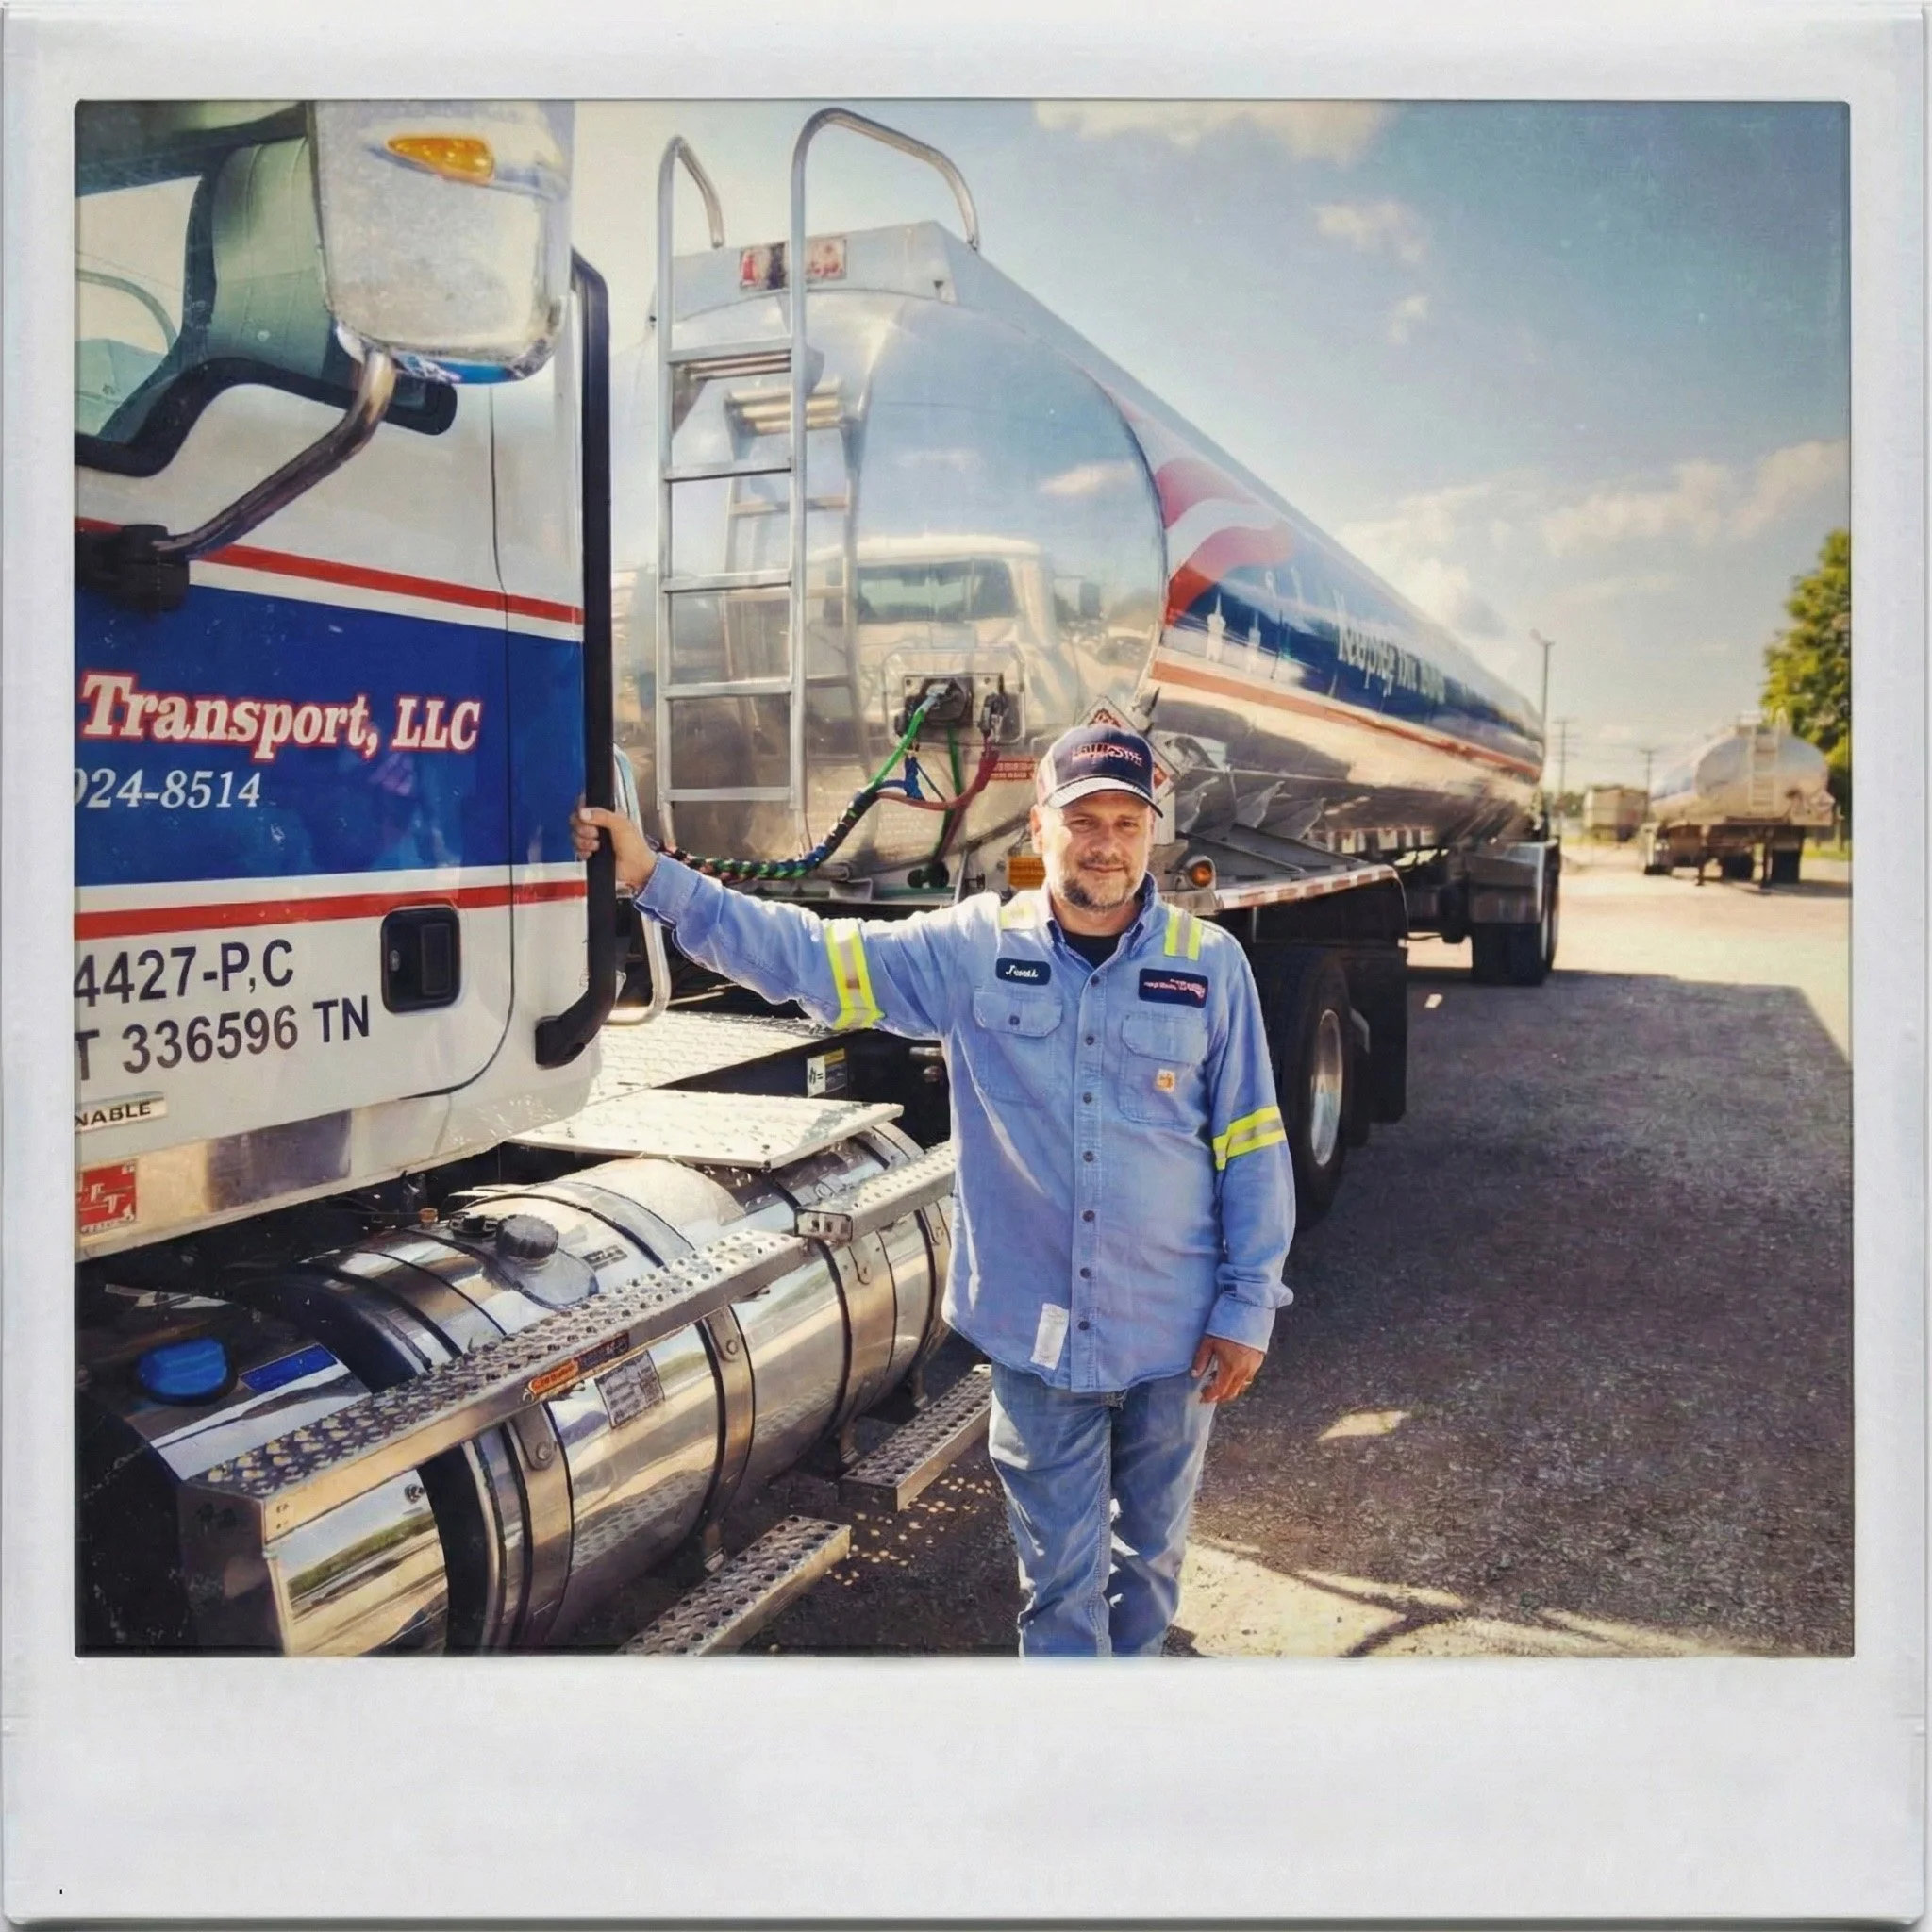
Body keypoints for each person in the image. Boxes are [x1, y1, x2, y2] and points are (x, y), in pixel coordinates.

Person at [572, 724, 1294, 1656]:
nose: (1105, 842)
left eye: (1125, 820)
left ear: (1150, 832)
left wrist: (1248, 1304)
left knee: (1148, 1561)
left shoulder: (1208, 964)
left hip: (1174, 1335)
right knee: (1060, 1590)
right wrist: (652, 880)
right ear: (1039, 826)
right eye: (1083, 820)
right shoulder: (973, 948)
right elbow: (811, 954)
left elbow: (1251, 1140)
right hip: (1038, 1338)